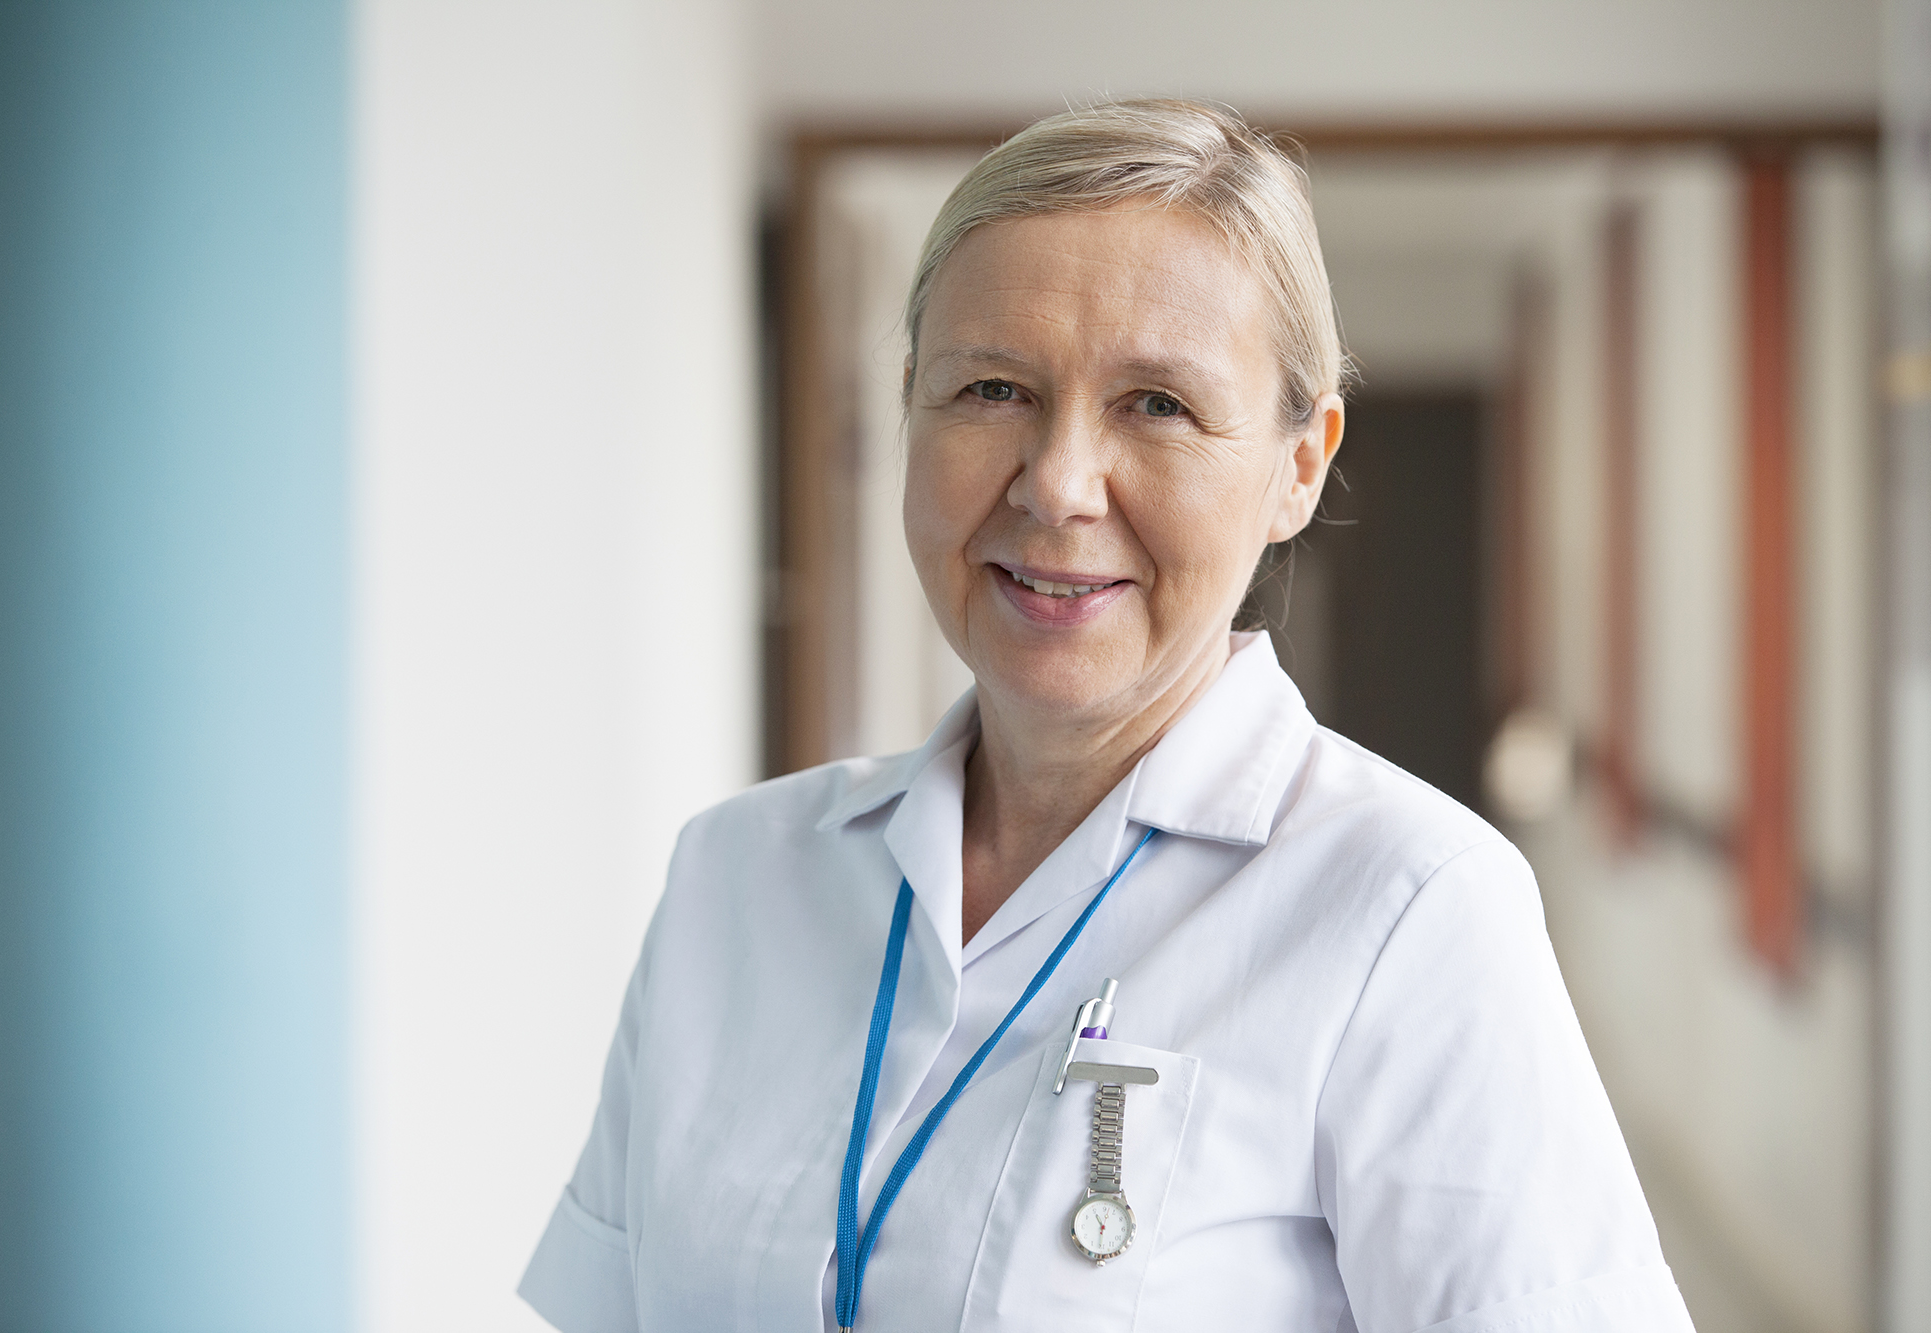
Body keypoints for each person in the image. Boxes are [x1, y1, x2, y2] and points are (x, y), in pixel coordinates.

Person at [519, 99, 1693, 1333]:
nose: (1059, 484)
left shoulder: (1407, 911)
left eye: (1156, 405)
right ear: (907, 409)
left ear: (1298, 465)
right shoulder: (734, 880)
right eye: (989, 388)